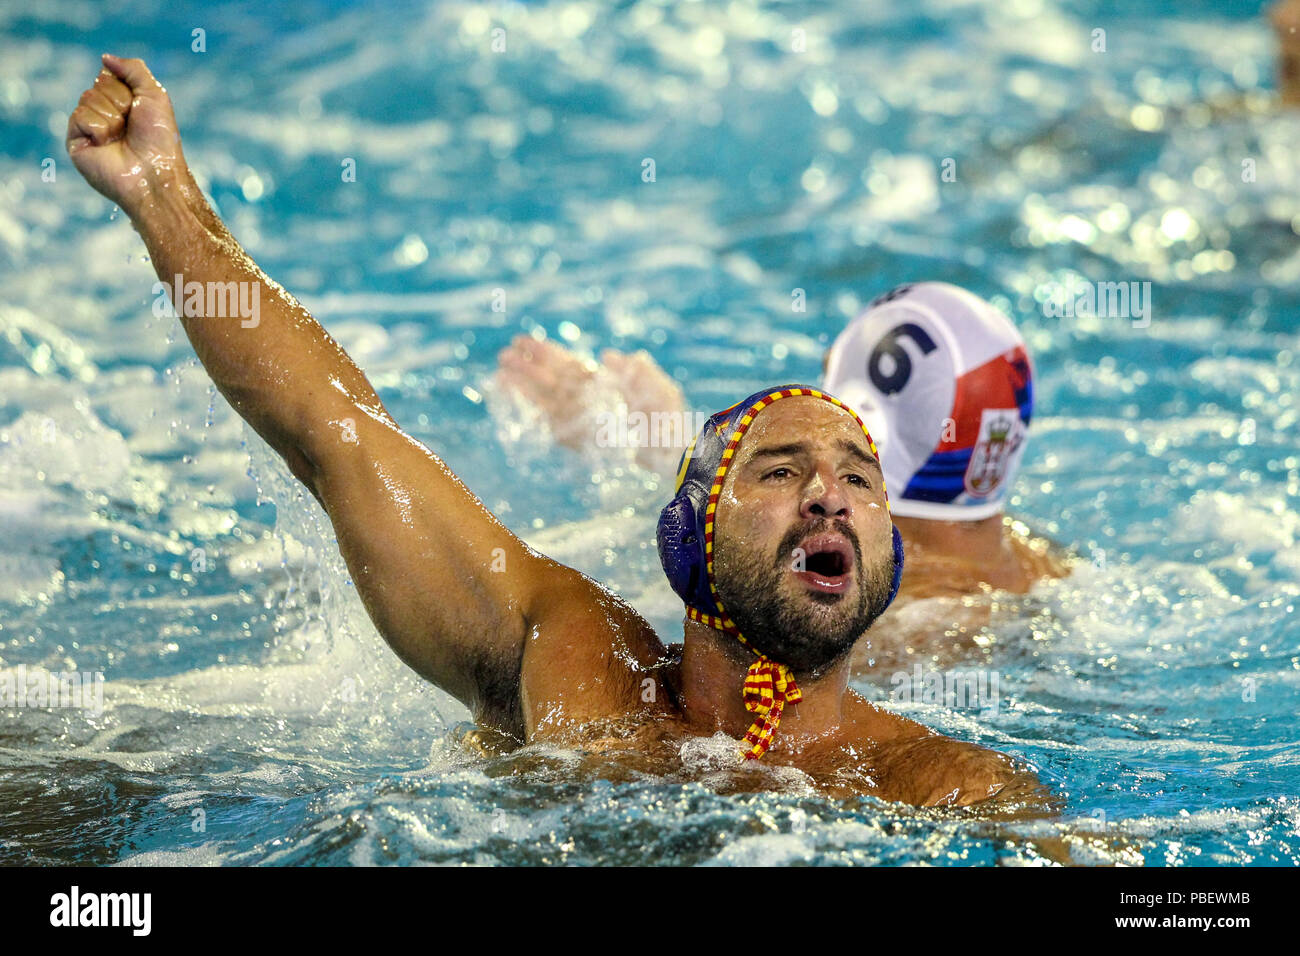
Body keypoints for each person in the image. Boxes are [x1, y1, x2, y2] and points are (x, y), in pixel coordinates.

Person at [66, 54, 1046, 808]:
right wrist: (162, 194)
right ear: (687, 536)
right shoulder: (574, 664)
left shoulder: (943, 783)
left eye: (860, 480)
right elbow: (338, 430)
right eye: (781, 470)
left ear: (889, 555)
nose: (829, 491)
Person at [497, 283, 1071, 668]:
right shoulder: (1043, 561)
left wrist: (669, 474)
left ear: (865, 425)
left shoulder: (903, 627)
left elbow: (710, 637)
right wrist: (666, 455)